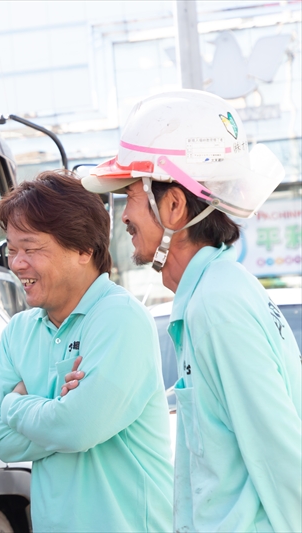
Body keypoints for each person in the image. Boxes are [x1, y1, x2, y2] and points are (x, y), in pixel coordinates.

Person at [81, 89, 302, 532]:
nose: (123, 216)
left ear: (174, 206)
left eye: (131, 196)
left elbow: (279, 453)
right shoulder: (218, 290)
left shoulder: (217, 305)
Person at [0, 171, 173, 532]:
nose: (17, 263)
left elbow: (77, 429)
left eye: (31, 248)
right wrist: (59, 413)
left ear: (85, 249)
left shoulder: (120, 318)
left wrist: (14, 405)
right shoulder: (19, 332)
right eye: (12, 249)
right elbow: (2, 440)